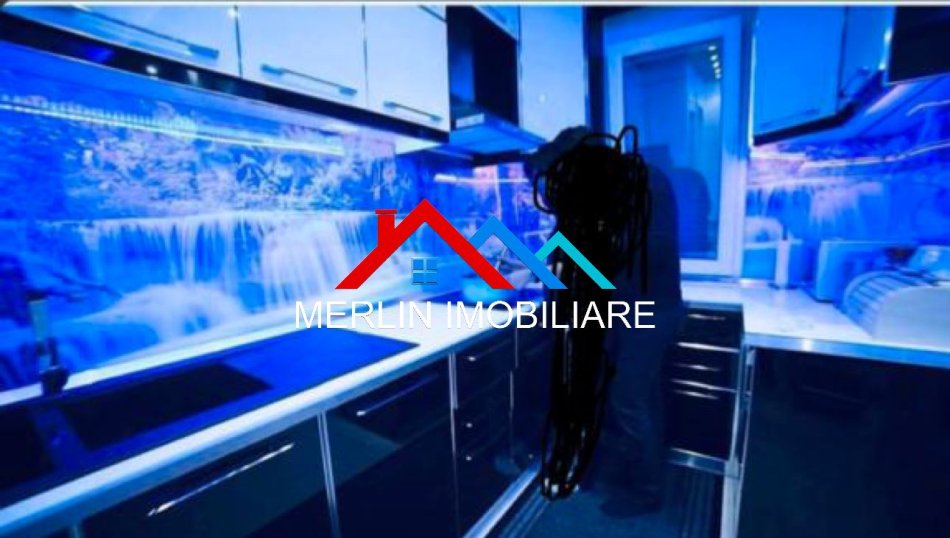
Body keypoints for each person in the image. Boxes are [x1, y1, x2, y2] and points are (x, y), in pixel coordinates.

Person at [528, 128, 685, 518]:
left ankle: (647, 491)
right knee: (632, 396)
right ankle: (605, 467)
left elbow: (650, 251)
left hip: (650, 311)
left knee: (629, 400)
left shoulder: (645, 182)